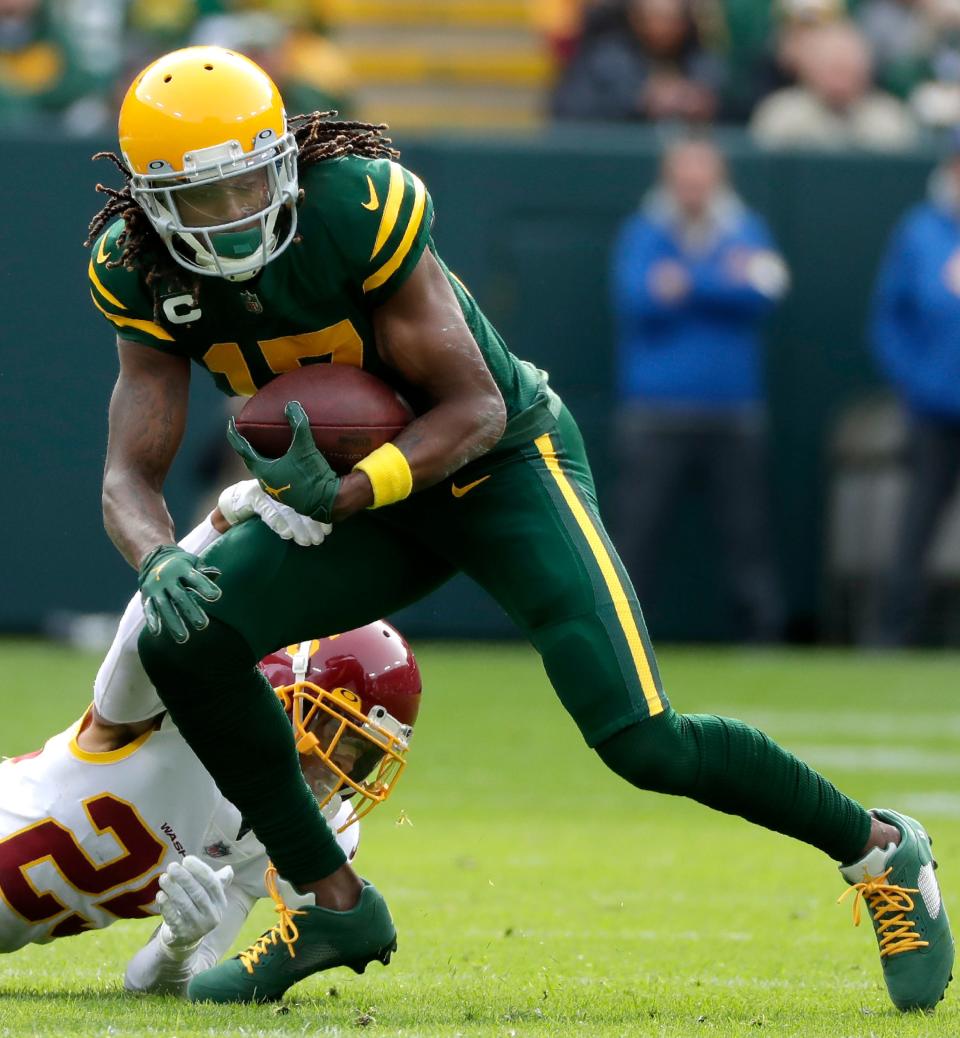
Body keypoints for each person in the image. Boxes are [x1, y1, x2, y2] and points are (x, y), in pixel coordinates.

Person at [86, 46, 952, 1008]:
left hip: (497, 470)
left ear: (284, 160)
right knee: (185, 636)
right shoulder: (140, 267)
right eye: (202, 197)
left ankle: (880, 852)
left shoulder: (355, 209)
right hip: (362, 500)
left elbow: (475, 409)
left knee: (642, 741)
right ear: (152, 202)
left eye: (248, 180)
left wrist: (343, 493)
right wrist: (156, 557)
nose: (234, 212)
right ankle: (330, 901)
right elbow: (129, 472)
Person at [0, 495, 420, 997]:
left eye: (366, 751)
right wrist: (219, 521)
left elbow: (153, 985)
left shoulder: (298, 833)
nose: (346, 763)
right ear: (282, 691)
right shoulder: (171, 716)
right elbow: (151, 629)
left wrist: (177, 945)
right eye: (337, 732)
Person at [610, 137, 787, 642]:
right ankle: (622, 639)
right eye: (683, 177)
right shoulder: (644, 231)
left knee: (747, 533)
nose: (692, 188)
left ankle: (762, 636)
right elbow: (638, 298)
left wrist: (686, 282)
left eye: (701, 177)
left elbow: (763, 291)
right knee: (638, 534)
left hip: (734, 413)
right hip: (655, 413)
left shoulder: (746, 228)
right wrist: (721, 280)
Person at [870, 140, 960, 645]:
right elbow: (887, 320)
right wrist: (917, 382)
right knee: (916, 526)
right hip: (933, 411)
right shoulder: (920, 231)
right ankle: (891, 635)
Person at [750, 20, 918, 150]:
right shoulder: (781, 114)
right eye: (832, 68)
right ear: (809, 69)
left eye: (848, 68)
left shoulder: (890, 119)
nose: (840, 79)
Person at [550, 0, 725, 123]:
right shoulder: (606, 59)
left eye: (672, 18)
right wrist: (640, 102)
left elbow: (738, 112)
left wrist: (704, 104)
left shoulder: (704, 63)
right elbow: (569, 111)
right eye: (654, 17)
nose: (662, 27)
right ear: (635, 19)